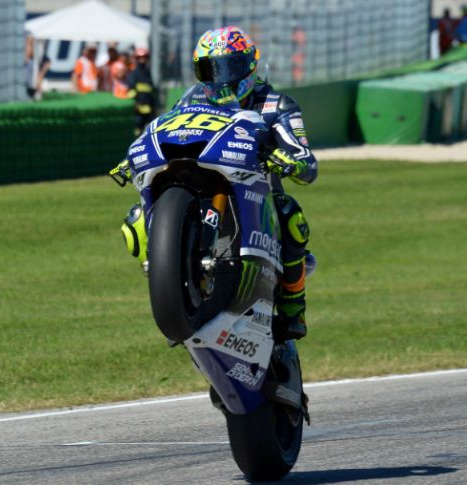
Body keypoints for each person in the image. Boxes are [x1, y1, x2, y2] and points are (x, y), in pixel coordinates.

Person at [114, 26, 316, 340]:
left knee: (291, 216)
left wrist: (290, 159)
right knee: (135, 220)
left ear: (250, 65)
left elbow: (305, 159)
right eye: (210, 68)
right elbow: (169, 131)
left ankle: (293, 308)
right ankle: (167, 275)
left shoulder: (276, 104)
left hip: (257, 191)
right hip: (200, 180)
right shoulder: (192, 98)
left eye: (230, 67)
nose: (220, 77)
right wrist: (135, 159)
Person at [126, 47, 156, 136]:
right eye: (140, 58)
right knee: (137, 132)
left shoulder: (148, 73)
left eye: (144, 57)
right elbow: (131, 92)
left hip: (149, 110)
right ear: (136, 59)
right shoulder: (134, 74)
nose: (142, 60)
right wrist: (135, 104)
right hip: (138, 111)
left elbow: (151, 92)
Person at [25, 34, 51, 100]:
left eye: (31, 45)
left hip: (33, 89)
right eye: (28, 45)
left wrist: (40, 75)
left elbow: (48, 63)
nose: (29, 48)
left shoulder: (37, 61)